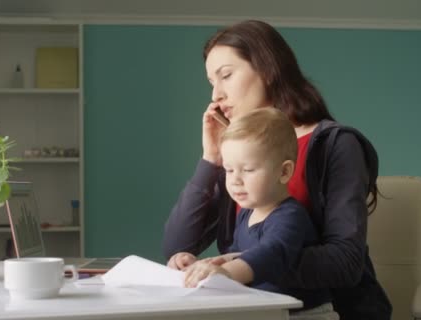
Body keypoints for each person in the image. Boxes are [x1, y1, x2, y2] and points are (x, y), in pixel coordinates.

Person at [162, 20, 392, 319]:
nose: (215, 95)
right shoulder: (239, 157)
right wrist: (211, 159)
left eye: (226, 76)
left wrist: (239, 265)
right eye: (211, 83)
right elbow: (177, 246)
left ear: (268, 69)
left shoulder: (337, 144)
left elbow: (345, 262)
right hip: (256, 309)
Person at [181, 107, 337, 319]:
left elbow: (272, 252)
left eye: (248, 170)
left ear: (284, 172)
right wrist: (204, 266)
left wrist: (228, 273)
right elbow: (236, 253)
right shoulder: (246, 214)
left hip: (305, 313)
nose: (235, 179)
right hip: (267, 309)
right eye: (229, 170)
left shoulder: (289, 216)